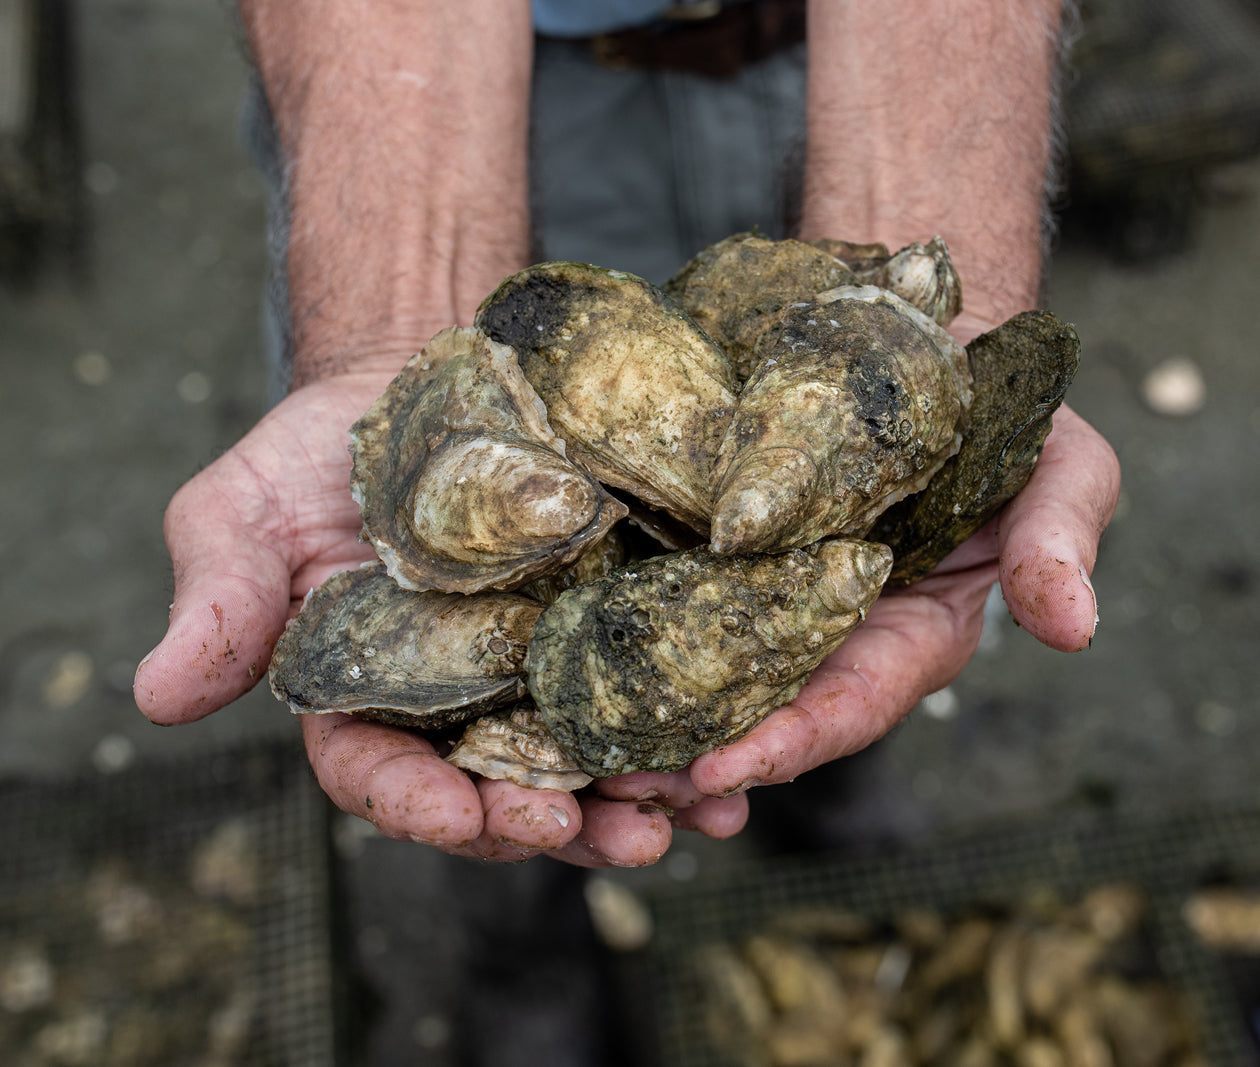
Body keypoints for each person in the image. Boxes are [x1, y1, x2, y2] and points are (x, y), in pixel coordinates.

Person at [133, 0, 1120, 868]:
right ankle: (523, 947)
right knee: (478, 808)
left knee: (862, 645)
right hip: (458, 87)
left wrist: (926, 312)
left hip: (869, 57)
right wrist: (394, 324)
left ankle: (826, 800)